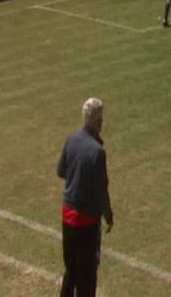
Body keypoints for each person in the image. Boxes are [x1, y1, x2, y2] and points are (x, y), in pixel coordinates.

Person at [57, 97, 114, 297]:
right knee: (87, 277)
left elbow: (61, 171)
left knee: (71, 270)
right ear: (98, 122)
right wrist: (108, 215)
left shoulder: (71, 138)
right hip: (86, 221)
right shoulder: (97, 152)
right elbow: (101, 189)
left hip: (67, 214)